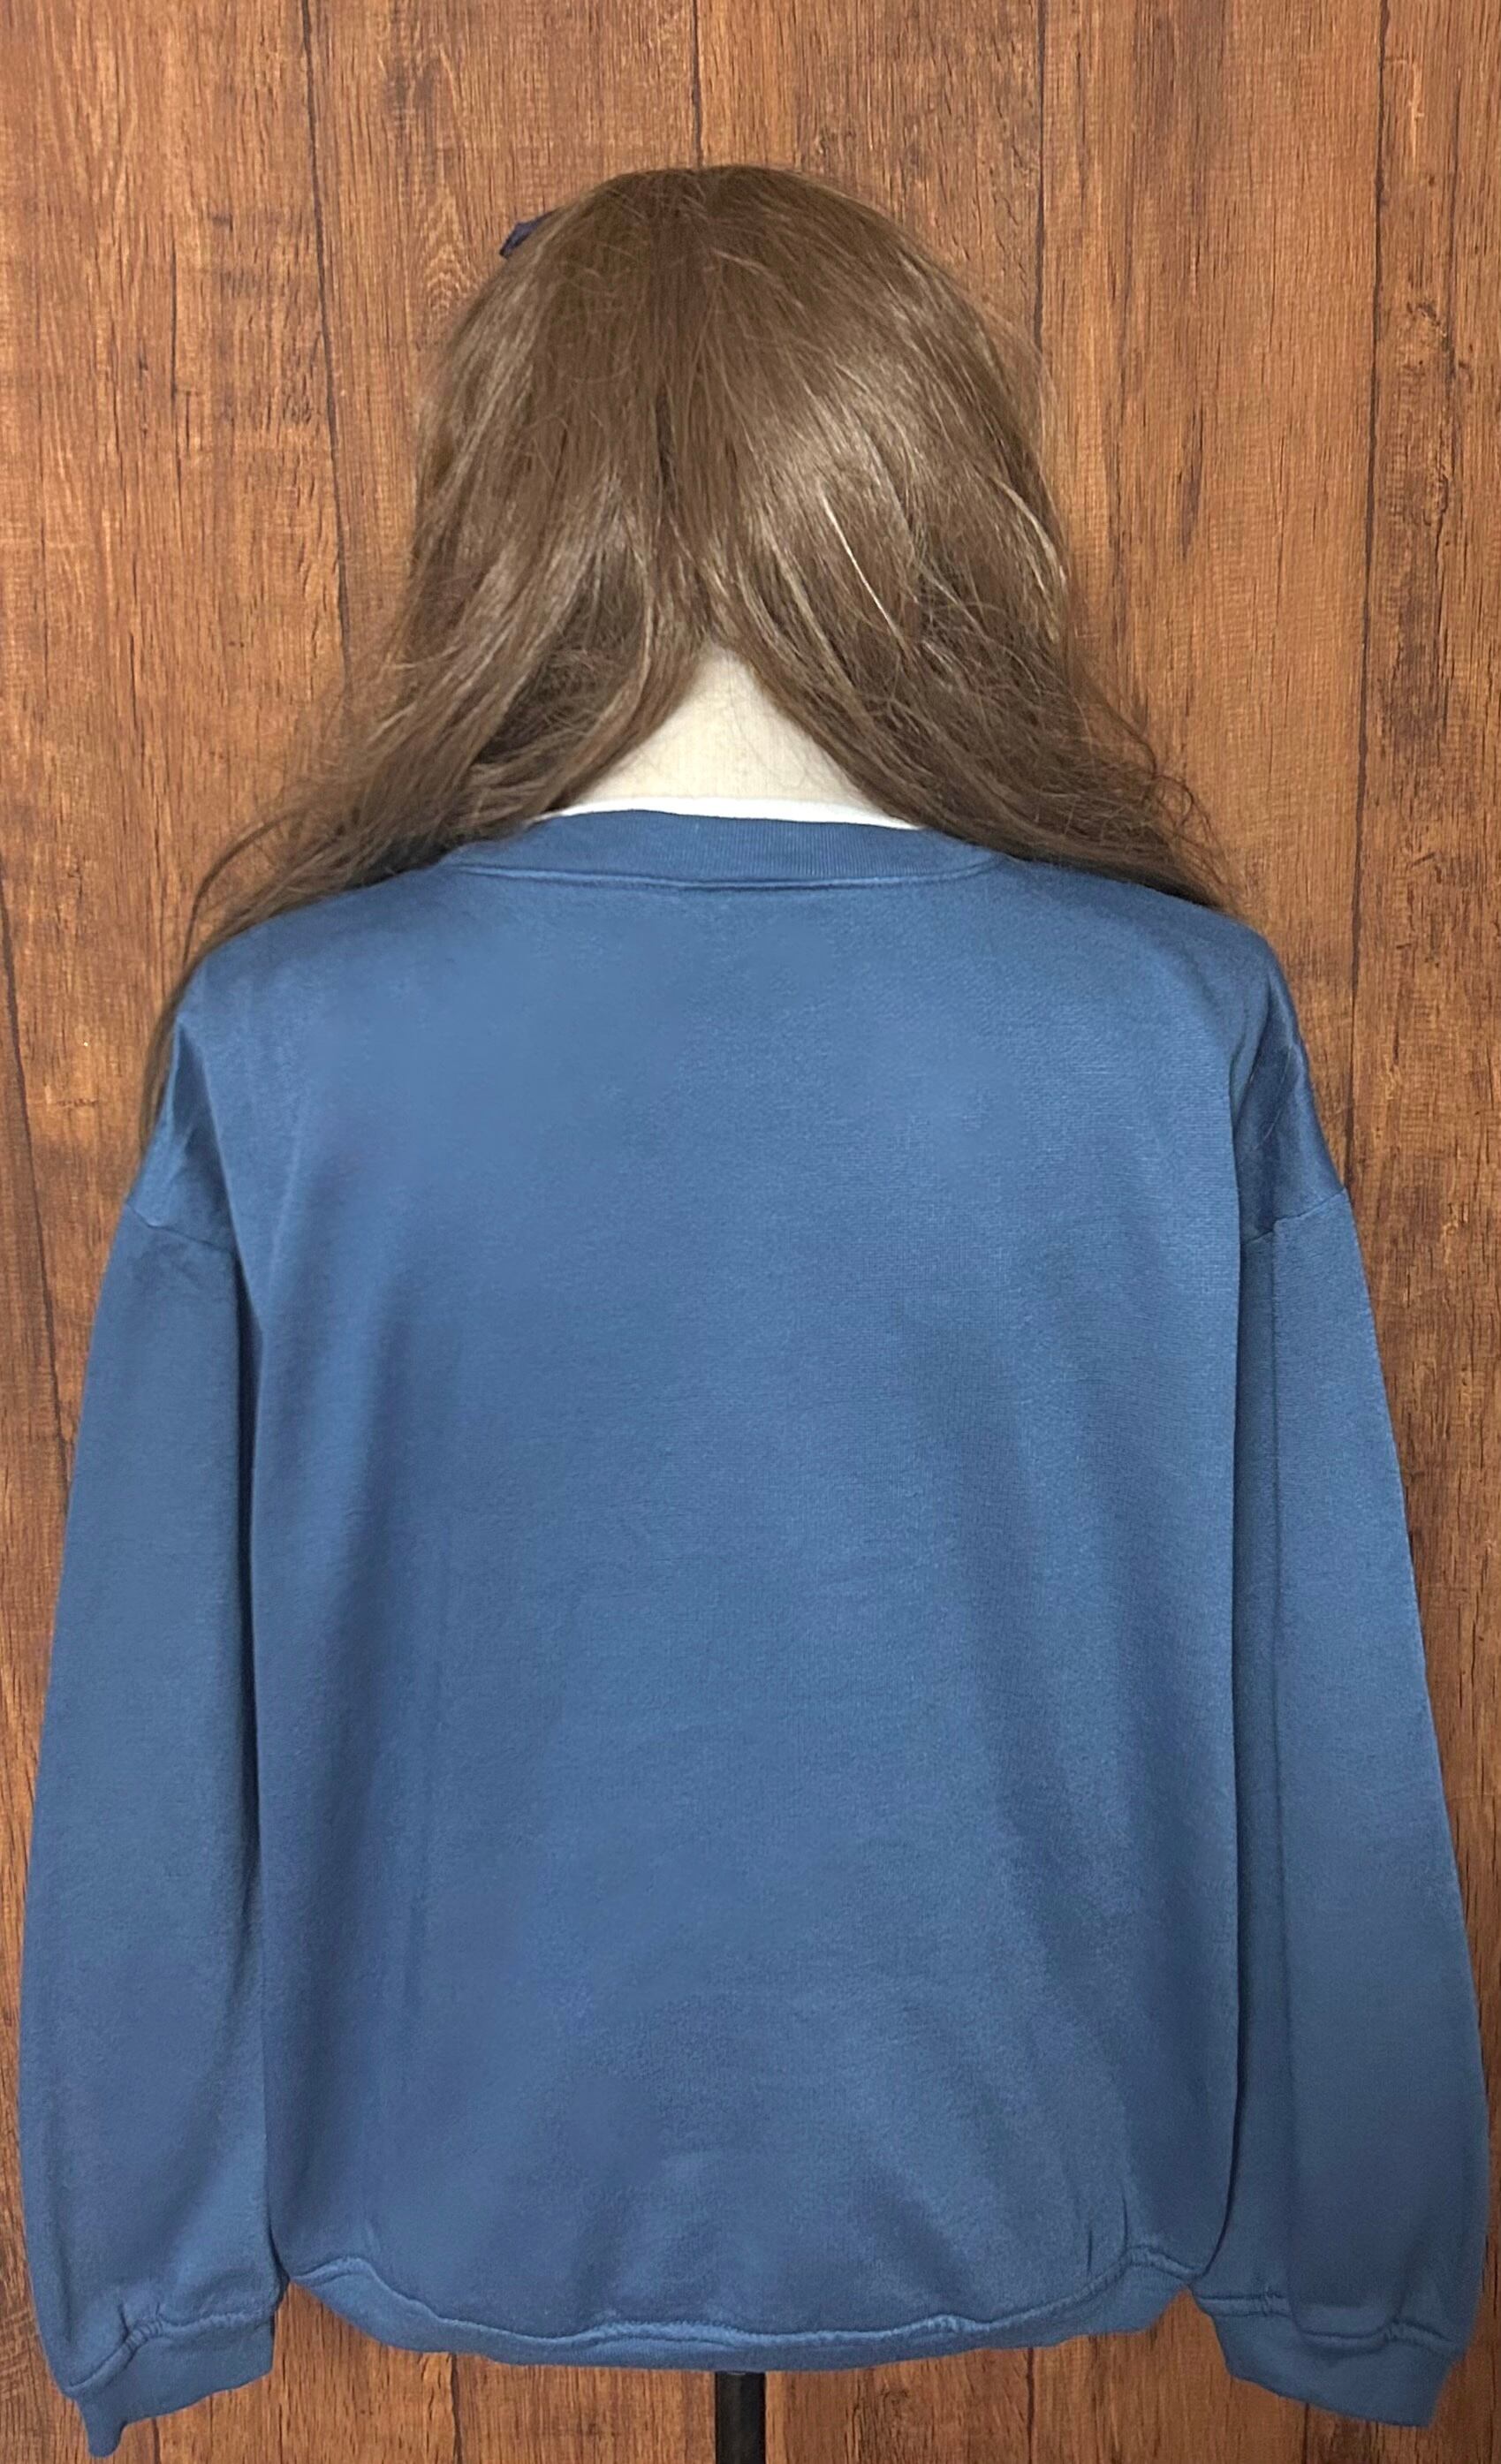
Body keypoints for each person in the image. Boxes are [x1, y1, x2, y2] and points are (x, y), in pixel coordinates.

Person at [18, 162, 1488, 2457]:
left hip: (471, 2159)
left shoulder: (299, 1036)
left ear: (501, 506)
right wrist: (1346, 2263)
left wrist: (145, 2269)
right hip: (1023, 2141)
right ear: (930, 482)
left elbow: (147, 1738)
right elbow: (1323, 1701)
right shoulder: (1160, 1021)